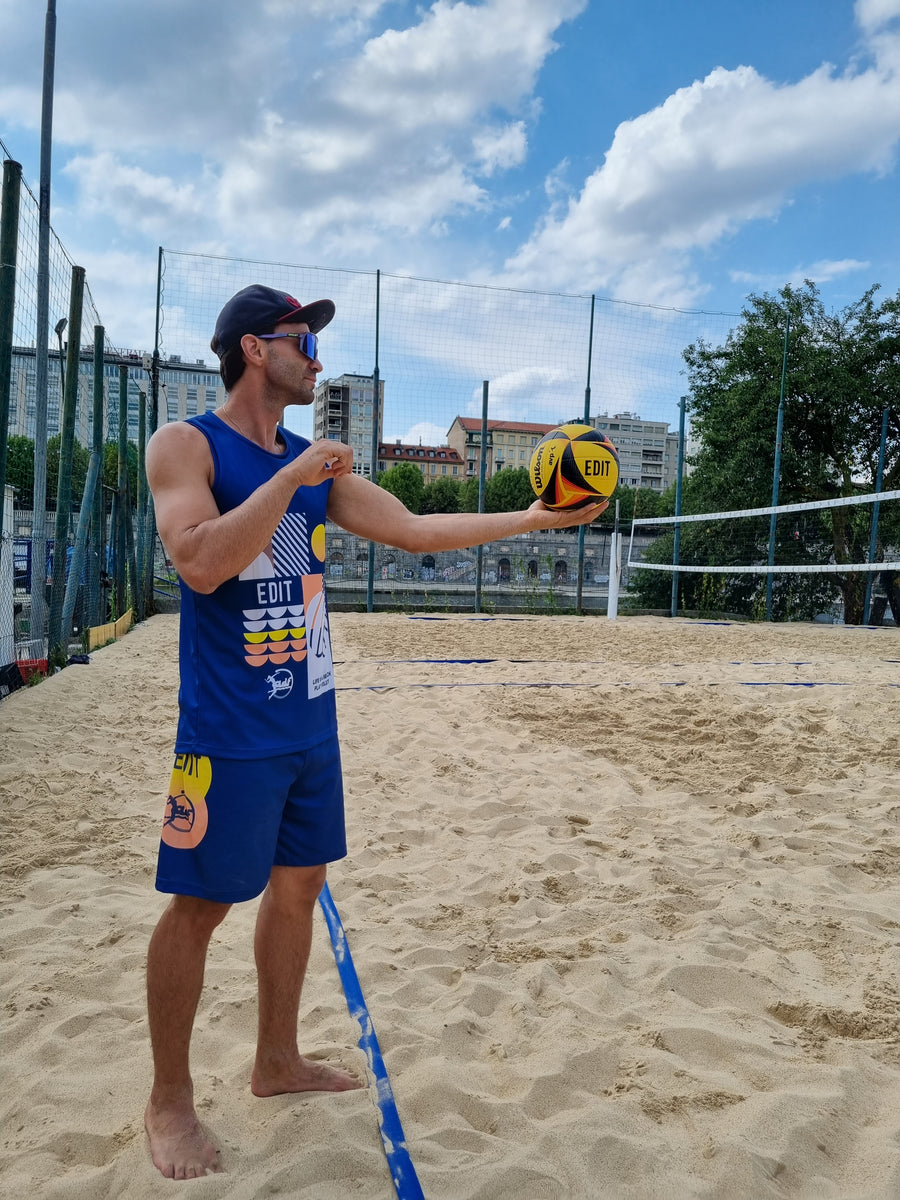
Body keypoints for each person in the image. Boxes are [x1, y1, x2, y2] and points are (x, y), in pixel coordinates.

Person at [143, 283, 608, 1180]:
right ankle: (168, 1099)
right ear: (251, 349)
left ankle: (275, 1061)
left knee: (299, 887)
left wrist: (537, 517)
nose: (315, 357)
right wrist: (290, 474)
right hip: (224, 731)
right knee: (198, 907)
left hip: (308, 722)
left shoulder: (312, 465)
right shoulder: (186, 444)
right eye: (300, 341)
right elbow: (199, 563)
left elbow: (419, 531)